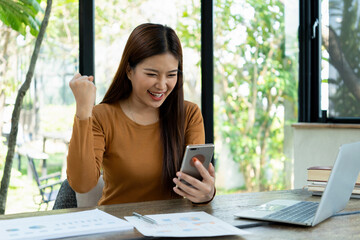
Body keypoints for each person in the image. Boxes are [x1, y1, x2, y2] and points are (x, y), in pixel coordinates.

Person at [67, 23, 215, 205]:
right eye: (152, 74)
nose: (162, 85)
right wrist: (83, 110)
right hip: (119, 228)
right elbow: (82, 184)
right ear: (129, 70)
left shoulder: (189, 114)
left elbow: (196, 183)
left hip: (171, 227)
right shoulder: (102, 116)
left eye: (171, 75)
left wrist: (207, 193)